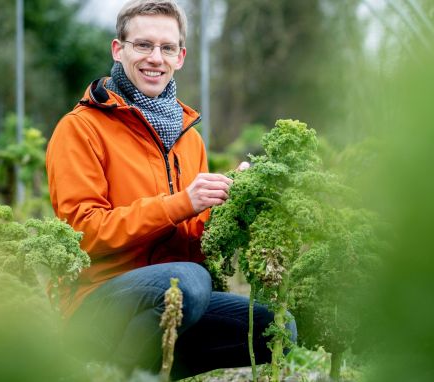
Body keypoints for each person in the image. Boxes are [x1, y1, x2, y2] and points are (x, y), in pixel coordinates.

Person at [45, 0, 296, 378]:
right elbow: (83, 234)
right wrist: (180, 204)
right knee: (189, 281)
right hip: (96, 301)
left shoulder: (187, 139)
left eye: (166, 48)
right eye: (143, 45)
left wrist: (235, 204)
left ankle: (147, 371)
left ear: (180, 57)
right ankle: (105, 370)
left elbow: (192, 240)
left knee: (278, 328)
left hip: (174, 298)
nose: (155, 58)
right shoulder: (80, 128)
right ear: (119, 49)